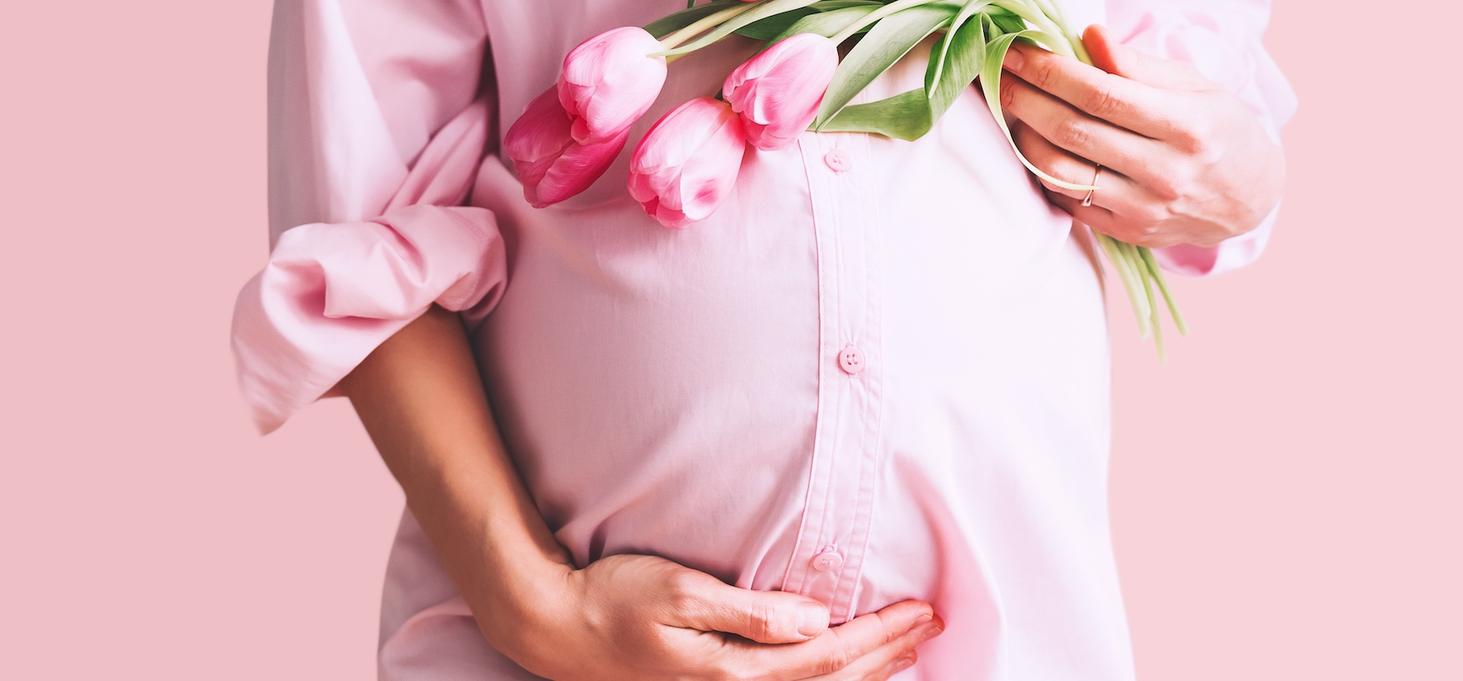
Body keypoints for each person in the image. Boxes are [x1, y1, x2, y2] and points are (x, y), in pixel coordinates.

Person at [232, 0, 1294, 678]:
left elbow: (1207, 113)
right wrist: (533, 603)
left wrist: (1241, 175)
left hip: (1001, 642)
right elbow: (362, 220)